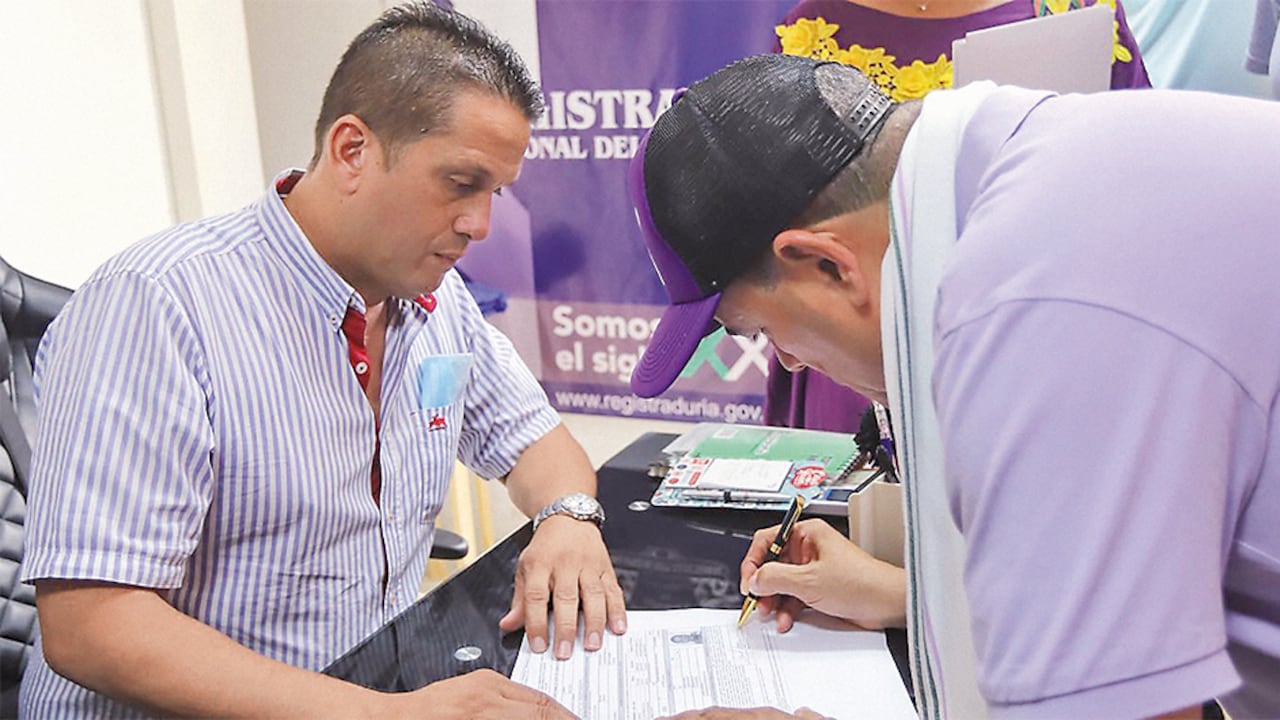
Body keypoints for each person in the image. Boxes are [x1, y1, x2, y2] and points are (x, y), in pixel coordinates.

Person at [628, 53, 1279, 719]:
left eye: (762, 331)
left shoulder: (1027, 305)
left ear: (825, 262)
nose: (789, 365)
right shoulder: (1026, 163)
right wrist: (905, 593)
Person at [20, 4, 625, 717]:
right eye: (461, 184)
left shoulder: (436, 301)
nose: (480, 225)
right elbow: (91, 627)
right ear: (351, 151)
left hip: (365, 689)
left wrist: (568, 519)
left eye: (495, 193)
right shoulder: (156, 306)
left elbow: (539, 444)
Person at [765, 0, 1150, 436]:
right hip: (864, 358)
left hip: (1040, 341)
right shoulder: (809, 31)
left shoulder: (1073, 10)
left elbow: (1139, 179)